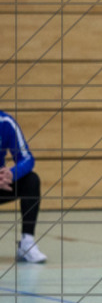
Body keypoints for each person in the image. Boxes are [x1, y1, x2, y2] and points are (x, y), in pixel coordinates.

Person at [0, 111, 46, 263]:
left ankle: (27, 243)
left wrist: (12, 173)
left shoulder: (5, 122)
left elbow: (26, 158)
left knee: (31, 181)